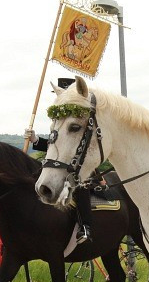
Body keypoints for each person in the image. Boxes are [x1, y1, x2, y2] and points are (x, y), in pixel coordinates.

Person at [26, 78, 98, 246]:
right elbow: (54, 143)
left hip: (79, 164)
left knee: (79, 186)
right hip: (57, 163)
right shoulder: (61, 119)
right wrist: (36, 139)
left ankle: (85, 226)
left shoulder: (79, 114)